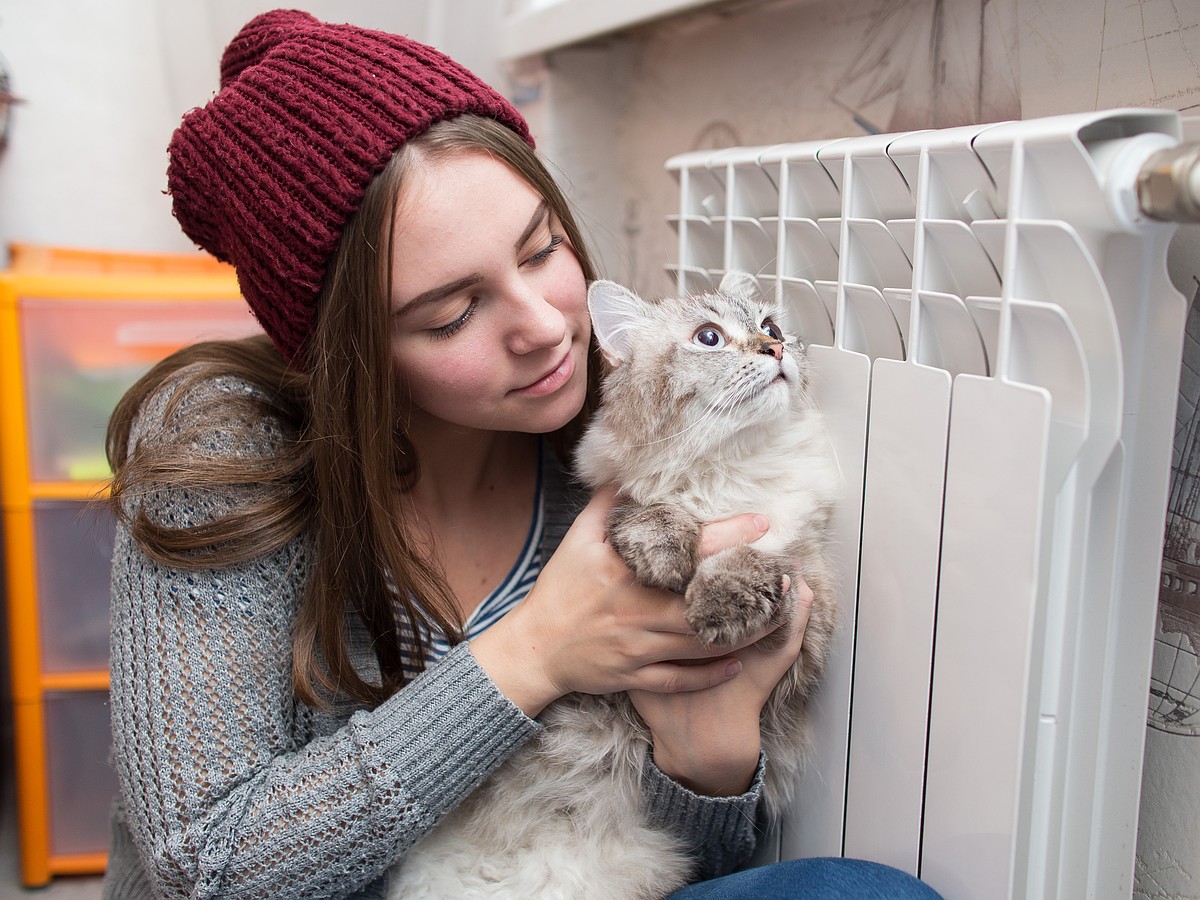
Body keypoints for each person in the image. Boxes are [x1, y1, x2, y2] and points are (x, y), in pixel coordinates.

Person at [101, 9, 942, 899]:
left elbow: (685, 859)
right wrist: (537, 651)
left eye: (543, 250)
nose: (547, 329)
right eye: (452, 314)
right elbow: (209, 868)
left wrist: (709, 751)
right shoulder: (224, 453)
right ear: (348, 355)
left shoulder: (611, 432)